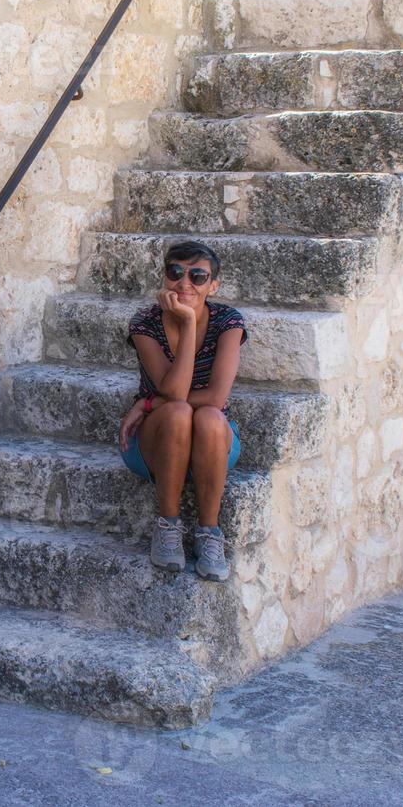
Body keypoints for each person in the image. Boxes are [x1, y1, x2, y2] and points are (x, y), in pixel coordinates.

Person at [117, 240, 247, 581]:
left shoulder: (228, 322)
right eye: (175, 272)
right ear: (163, 278)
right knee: (177, 413)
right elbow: (174, 392)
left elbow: (218, 397)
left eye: (198, 276)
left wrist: (148, 403)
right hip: (155, 445)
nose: (184, 283)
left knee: (207, 415)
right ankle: (167, 526)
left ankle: (209, 533)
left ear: (213, 286)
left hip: (212, 444)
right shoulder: (145, 322)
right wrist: (188, 324)